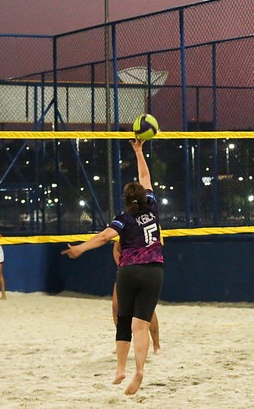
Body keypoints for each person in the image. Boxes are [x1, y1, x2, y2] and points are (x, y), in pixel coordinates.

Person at [63, 139, 163, 396]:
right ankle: (139, 369)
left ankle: (121, 368)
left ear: (127, 200)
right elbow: (145, 176)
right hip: (154, 271)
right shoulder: (152, 208)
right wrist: (139, 151)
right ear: (143, 197)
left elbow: (104, 237)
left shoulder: (123, 219)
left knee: (123, 321)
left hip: (129, 270)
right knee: (141, 325)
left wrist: (80, 249)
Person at [112, 241, 160, 354]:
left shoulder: (151, 226)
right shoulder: (125, 225)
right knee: (116, 307)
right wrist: (122, 266)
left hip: (145, 269)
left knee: (147, 309)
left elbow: (155, 249)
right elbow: (116, 248)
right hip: (126, 270)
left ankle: (156, 345)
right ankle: (123, 342)